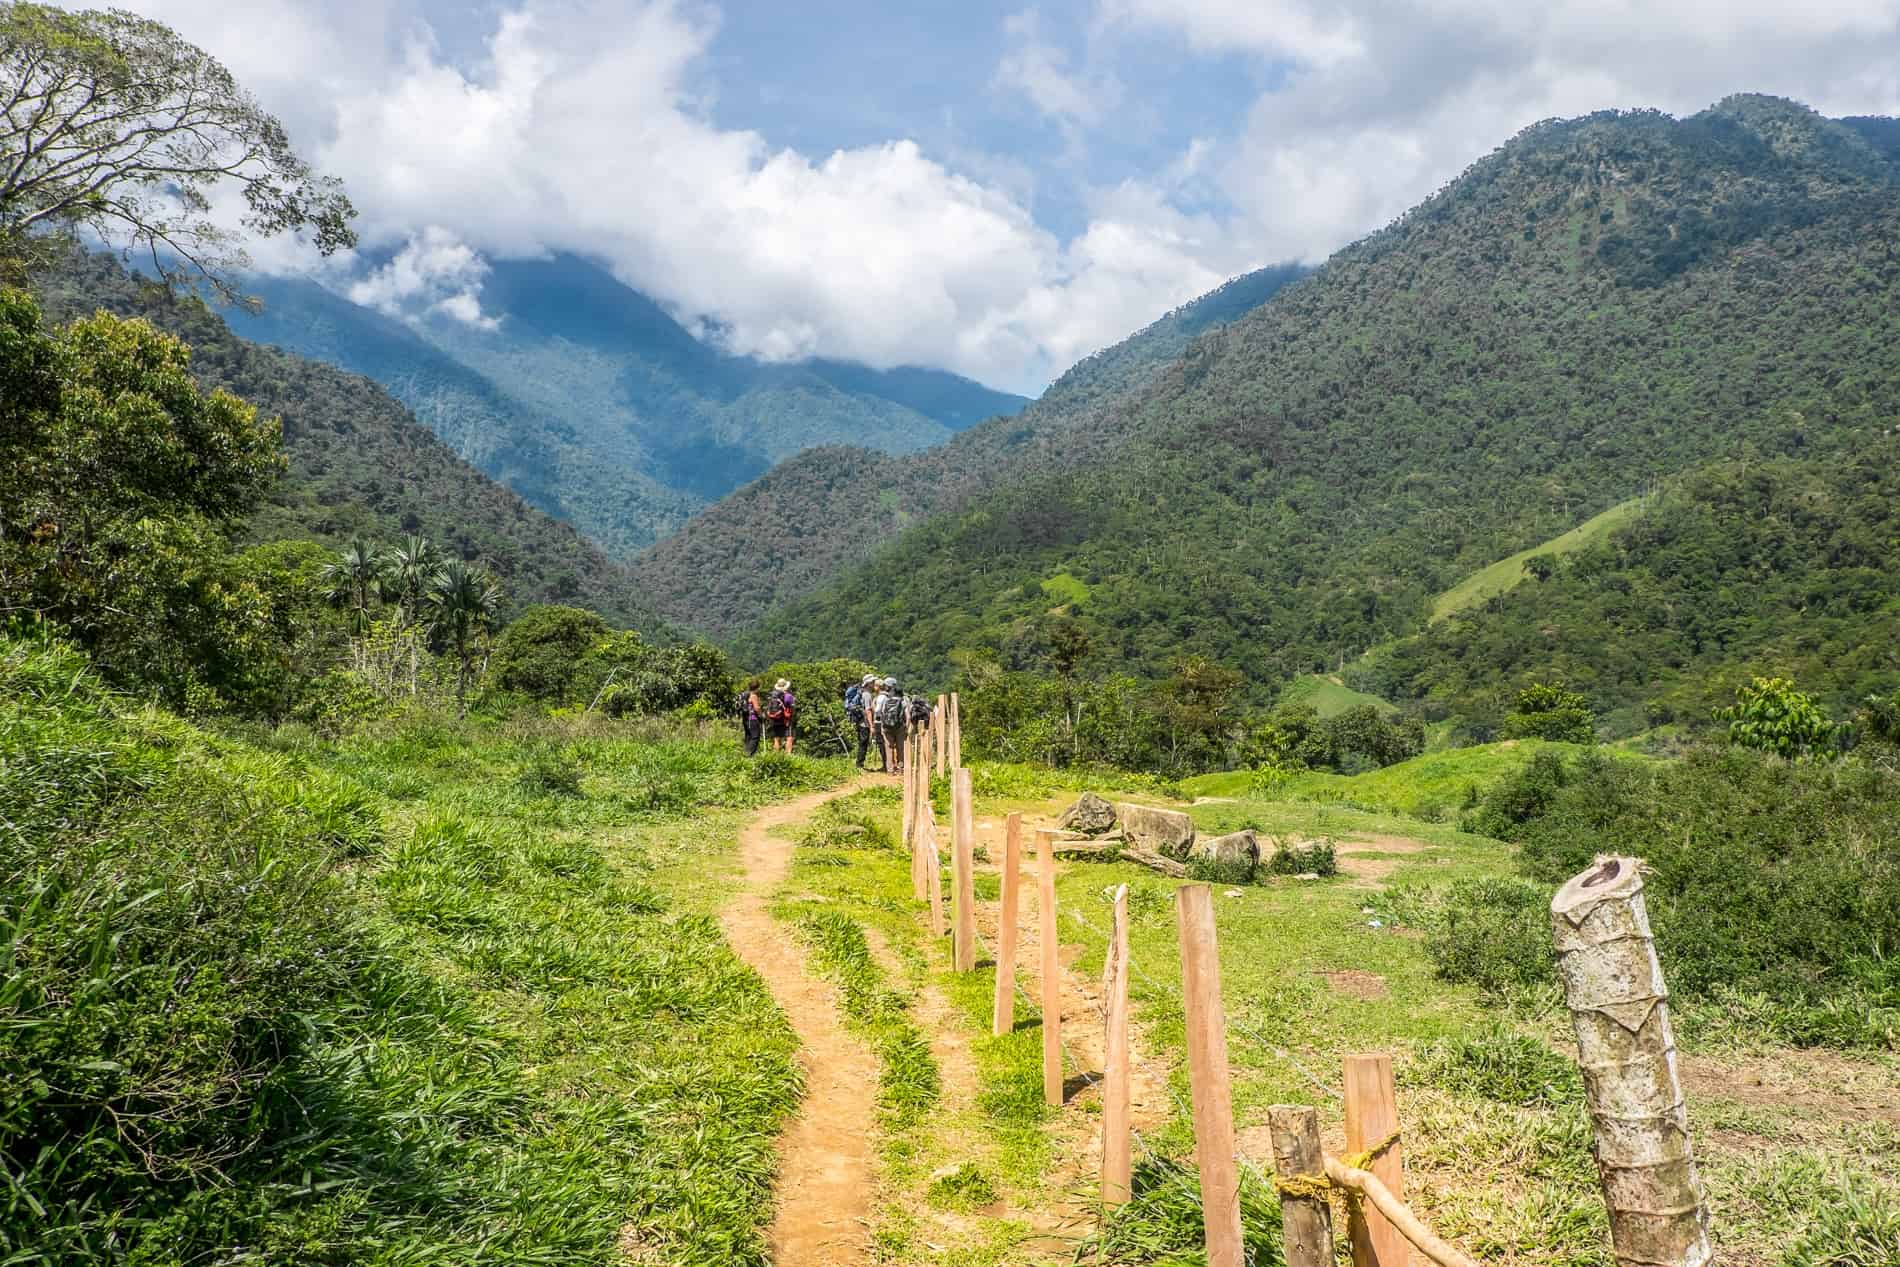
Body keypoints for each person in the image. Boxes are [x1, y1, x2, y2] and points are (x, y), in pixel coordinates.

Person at [845, 673, 878, 770]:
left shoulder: (862, 693)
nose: (873, 683)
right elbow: (868, 710)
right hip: (865, 723)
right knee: (863, 743)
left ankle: (859, 763)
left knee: (862, 742)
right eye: (872, 682)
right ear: (868, 683)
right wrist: (871, 725)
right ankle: (859, 764)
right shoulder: (867, 694)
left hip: (860, 722)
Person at [875, 676, 907, 775]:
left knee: (889, 747)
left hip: (886, 726)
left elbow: (878, 711)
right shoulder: (903, 699)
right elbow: (908, 714)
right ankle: (901, 769)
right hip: (899, 726)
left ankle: (890, 770)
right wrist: (906, 726)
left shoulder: (883, 697)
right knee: (900, 748)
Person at [765, 677, 797, 754]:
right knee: (789, 738)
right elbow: (792, 708)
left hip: (775, 720)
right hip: (786, 720)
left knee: (776, 738)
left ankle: (776, 756)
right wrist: (792, 716)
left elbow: (768, 708)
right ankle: (788, 757)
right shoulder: (789, 696)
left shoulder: (774, 696)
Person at [736, 678, 764, 756]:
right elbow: (757, 708)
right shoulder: (753, 696)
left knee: (748, 737)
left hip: (745, 719)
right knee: (755, 737)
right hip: (753, 719)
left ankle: (745, 753)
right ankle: (749, 754)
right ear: (757, 687)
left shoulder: (745, 694)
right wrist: (762, 716)